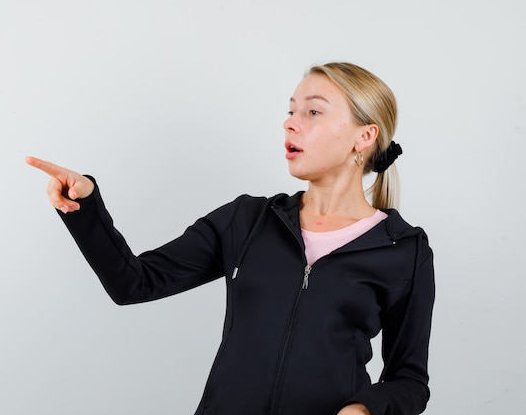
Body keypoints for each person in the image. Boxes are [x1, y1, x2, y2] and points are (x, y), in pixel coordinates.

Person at [26, 62, 435, 415]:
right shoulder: (247, 220)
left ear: (364, 137)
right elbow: (134, 283)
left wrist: (364, 409)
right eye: (291, 111)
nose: (290, 122)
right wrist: (86, 207)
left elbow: (409, 380)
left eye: (313, 112)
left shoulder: (404, 250)